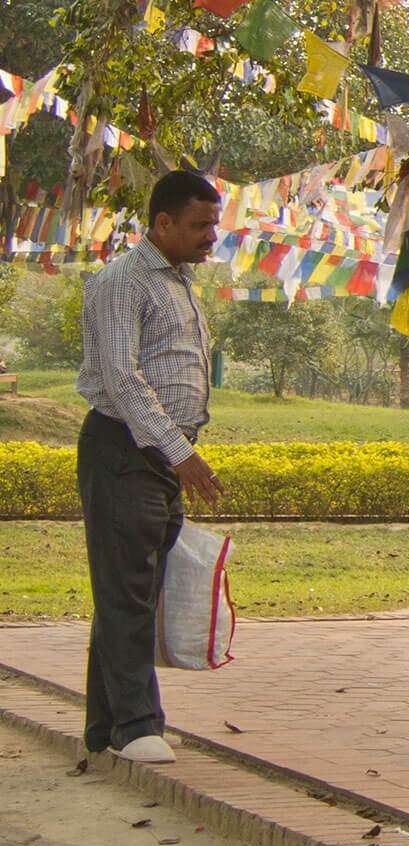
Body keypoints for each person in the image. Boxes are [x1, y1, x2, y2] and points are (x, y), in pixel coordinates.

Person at [74, 170, 226, 766]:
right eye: (198, 225)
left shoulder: (180, 282)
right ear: (162, 223)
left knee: (131, 588)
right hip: (125, 451)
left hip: (162, 454)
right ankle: (139, 724)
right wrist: (179, 452)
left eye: (213, 224)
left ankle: (108, 726)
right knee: (126, 592)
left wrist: (180, 447)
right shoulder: (122, 282)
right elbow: (123, 379)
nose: (210, 236)